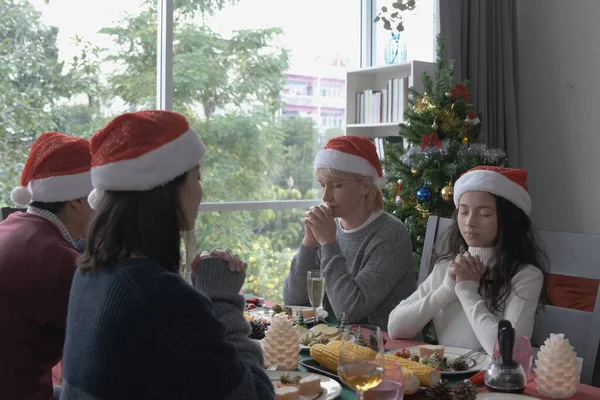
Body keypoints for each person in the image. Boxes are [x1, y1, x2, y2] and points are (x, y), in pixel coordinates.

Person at [60, 110, 273, 399]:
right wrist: (221, 300)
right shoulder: (162, 297)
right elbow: (255, 394)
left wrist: (199, 298)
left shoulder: (89, 272)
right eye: (197, 178)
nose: (200, 192)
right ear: (169, 191)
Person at [388, 166, 548, 356]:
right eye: (463, 212)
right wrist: (446, 290)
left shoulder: (526, 276)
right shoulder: (447, 267)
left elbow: (509, 353)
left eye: (484, 214)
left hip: (493, 381)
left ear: (508, 220)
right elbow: (395, 327)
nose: (470, 222)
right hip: (446, 376)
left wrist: (467, 291)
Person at [283, 135, 415, 330]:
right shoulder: (329, 227)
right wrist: (309, 244)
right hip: (335, 341)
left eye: (336, 185)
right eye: (322, 185)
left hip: (383, 349)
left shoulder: (391, 235)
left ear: (364, 186)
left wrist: (328, 244)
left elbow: (349, 311)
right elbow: (293, 301)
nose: (326, 196)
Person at [0, 132, 94, 400]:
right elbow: (104, 344)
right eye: (100, 198)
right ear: (77, 201)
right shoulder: (58, 261)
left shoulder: (11, 226)